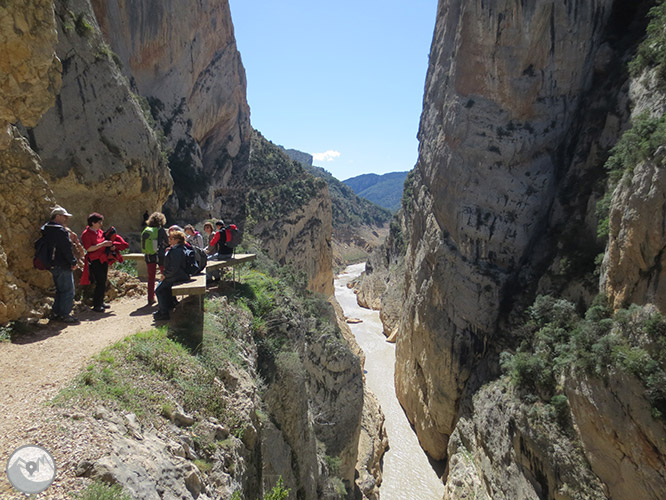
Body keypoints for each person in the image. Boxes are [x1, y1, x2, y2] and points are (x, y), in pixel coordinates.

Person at [42, 206, 79, 323]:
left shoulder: (45, 229)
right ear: (57, 216)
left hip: (51, 264)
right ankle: (64, 314)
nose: (66, 219)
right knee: (68, 290)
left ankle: (56, 313)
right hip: (62, 264)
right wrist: (73, 262)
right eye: (64, 217)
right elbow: (66, 249)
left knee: (60, 290)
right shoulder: (60, 230)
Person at [80, 212, 113, 312]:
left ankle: (100, 301)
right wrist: (103, 244)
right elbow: (89, 248)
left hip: (103, 259)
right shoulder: (86, 234)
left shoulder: (99, 232)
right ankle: (97, 304)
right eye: (99, 222)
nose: (100, 224)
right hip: (95, 260)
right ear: (93, 223)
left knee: (103, 281)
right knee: (99, 281)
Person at [153, 230, 190, 321]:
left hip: (177, 275)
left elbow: (174, 267)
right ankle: (169, 306)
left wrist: (165, 275)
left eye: (171, 238)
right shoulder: (182, 248)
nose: (169, 240)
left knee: (158, 290)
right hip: (181, 274)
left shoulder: (176, 250)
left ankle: (164, 313)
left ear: (177, 240)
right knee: (165, 287)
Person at [142, 212, 169, 305]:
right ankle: (165, 296)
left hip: (149, 256)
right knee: (164, 275)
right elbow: (167, 242)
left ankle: (150, 298)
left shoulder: (147, 229)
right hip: (160, 256)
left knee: (151, 278)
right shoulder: (161, 230)